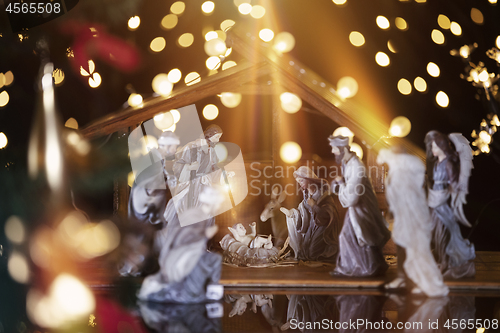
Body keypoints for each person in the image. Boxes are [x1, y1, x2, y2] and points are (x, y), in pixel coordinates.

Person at [378, 147, 448, 297]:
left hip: (413, 218)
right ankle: (403, 278)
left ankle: (421, 281)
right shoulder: (392, 175)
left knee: (415, 251)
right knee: (402, 248)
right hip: (402, 218)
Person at [329, 135, 390, 277]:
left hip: (363, 208)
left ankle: (368, 268)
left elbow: (352, 196)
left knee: (361, 236)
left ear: (342, 149)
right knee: (350, 236)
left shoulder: (357, 166)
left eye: (334, 148)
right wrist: (341, 182)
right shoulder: (347, 163)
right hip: (356, 209)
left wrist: (340, 186)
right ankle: (357, 267)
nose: (332, 152)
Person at [425, 130, 475, 279]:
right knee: (435, 231)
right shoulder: (437, 164)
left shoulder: (448, 164)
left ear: (441, 146)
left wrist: (449, 194)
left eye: (435, 146)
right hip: (435, 200)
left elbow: (454, 184)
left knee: (443, 231)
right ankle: (442, 260)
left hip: (443, 203)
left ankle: (447, 262)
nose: (432, 149)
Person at [280, 166, 339, 262]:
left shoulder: (323, 195)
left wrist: (314, 205)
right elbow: (302, 211)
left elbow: (329, 213)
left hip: (321, 226)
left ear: (309, 179)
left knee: (312, 252)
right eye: (298, 182)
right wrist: (293, 214)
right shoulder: (306, 196)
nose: (300, 184)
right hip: (311, 226)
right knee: (304, 250)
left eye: (302, 181)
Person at [171, 125, 226, 218]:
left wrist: (224, 175)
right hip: (191, 186)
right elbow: (176, 164)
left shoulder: (212, 152)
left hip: (205, 188)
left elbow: (214, 170)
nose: (217, 141)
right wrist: (189, 167)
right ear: (209, 135)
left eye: (219, 138)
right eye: (216, 137)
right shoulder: (191, 146)